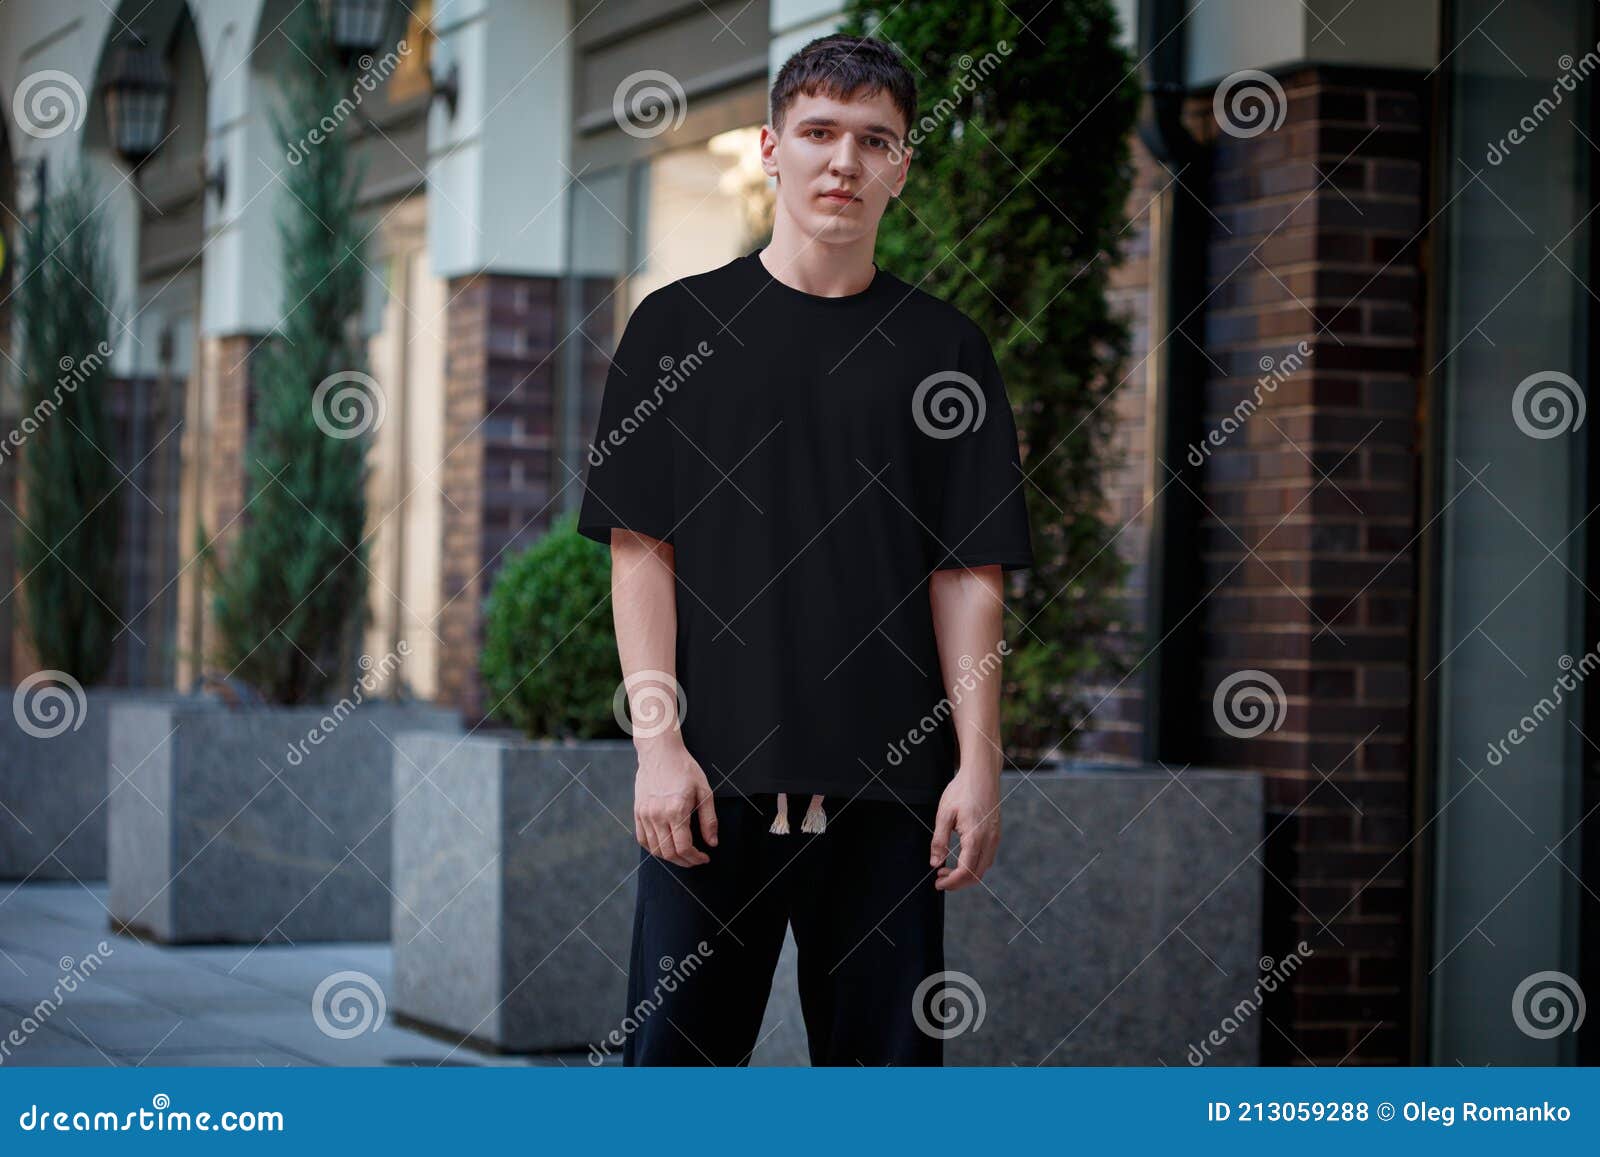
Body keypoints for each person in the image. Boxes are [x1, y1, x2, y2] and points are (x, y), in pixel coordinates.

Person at [576, 32, 1033, 1066]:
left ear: (902, 168)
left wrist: (977, 761)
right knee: (673, 1074)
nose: (845, 161)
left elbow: (968, 571)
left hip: (890, 800)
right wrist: (657, 744)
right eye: (820, 132)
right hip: (707, 790)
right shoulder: (674, 329)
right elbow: (641, 550)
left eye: (875, 140)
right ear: (770, 147)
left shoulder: (944, 348)